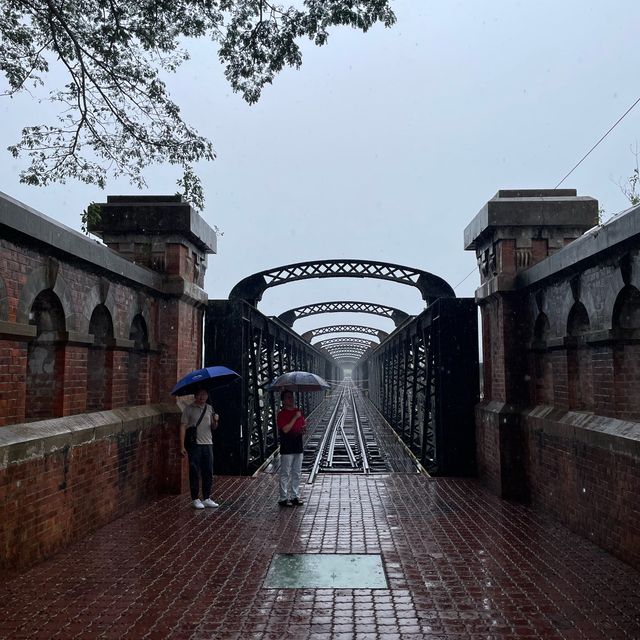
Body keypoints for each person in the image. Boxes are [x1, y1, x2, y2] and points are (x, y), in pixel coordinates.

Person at [180, 388, 220, 509]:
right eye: (200, 394)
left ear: (207, 395)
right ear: (195, 395)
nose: (202, 397)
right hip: (195, 444)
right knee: (194, 471)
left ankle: (207, 497)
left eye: (205, 394)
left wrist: (216, 421)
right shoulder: (189, 409)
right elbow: (183, 427)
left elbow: (213, 427)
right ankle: (195, 498)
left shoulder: (210, 408)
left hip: (208, 443)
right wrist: (181, 445)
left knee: (208, 471)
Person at [276, 390, 306, 507]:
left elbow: (302, 427)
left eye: (292, 397)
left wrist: (303, 429)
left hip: (298, 445)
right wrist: (295, 417)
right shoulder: (281, 414)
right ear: (283, 401)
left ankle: (295, 496)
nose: (291, 399)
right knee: (285, 473)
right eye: (288, 397)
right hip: (287, 447)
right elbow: (285, 429)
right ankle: (283, 498)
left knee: (297, 473)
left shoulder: (298, 411)